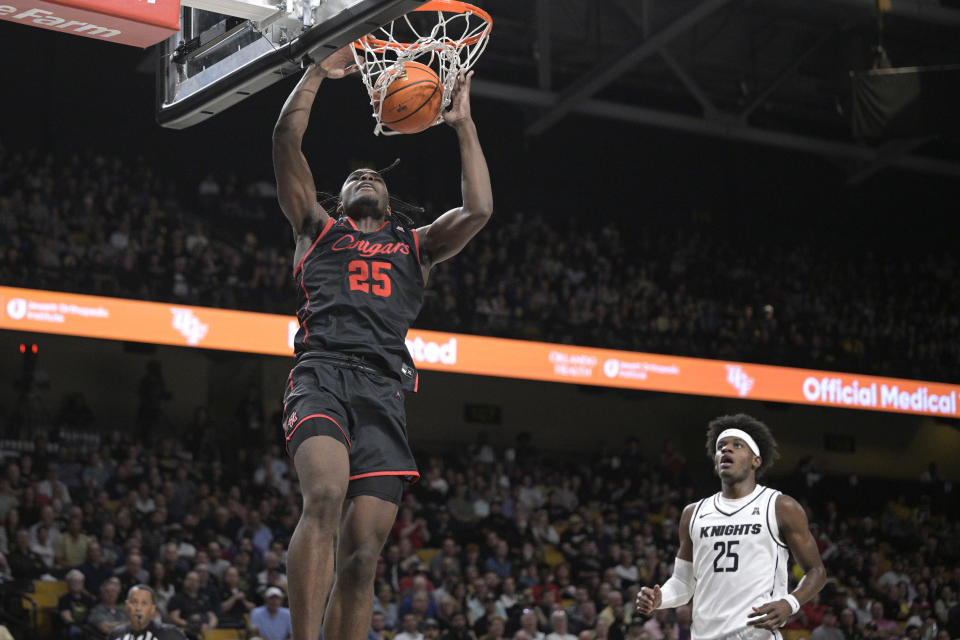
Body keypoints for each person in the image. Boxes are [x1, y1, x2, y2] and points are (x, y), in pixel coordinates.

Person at [272, 42, 492, 640]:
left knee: (364, 554)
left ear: (389, 200)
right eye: (353, 177)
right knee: (323, 497)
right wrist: (317, 72)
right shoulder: (316, 229)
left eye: (374, 176)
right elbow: (285, 142)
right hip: (320, 373)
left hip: (384, 390)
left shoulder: (417, 246)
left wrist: (463, 125)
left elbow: (478, 208)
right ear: (337, 201)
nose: (365, 177)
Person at [635, 414, 826, 640]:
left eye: (737, 445)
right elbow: (683, 583)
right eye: (721, 447)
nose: (726, 450)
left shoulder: (779, 506)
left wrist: (789, 603)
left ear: (756, 460)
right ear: (716, 462)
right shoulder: (693, 513)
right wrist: (660, 599)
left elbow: (817, 571)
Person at [108, 584, 186, 640]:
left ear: (152, 609)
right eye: (134, 602)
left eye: (144, 603)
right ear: (127, 605)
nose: (138, 608)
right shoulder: (115, 634)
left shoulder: (171, 634)